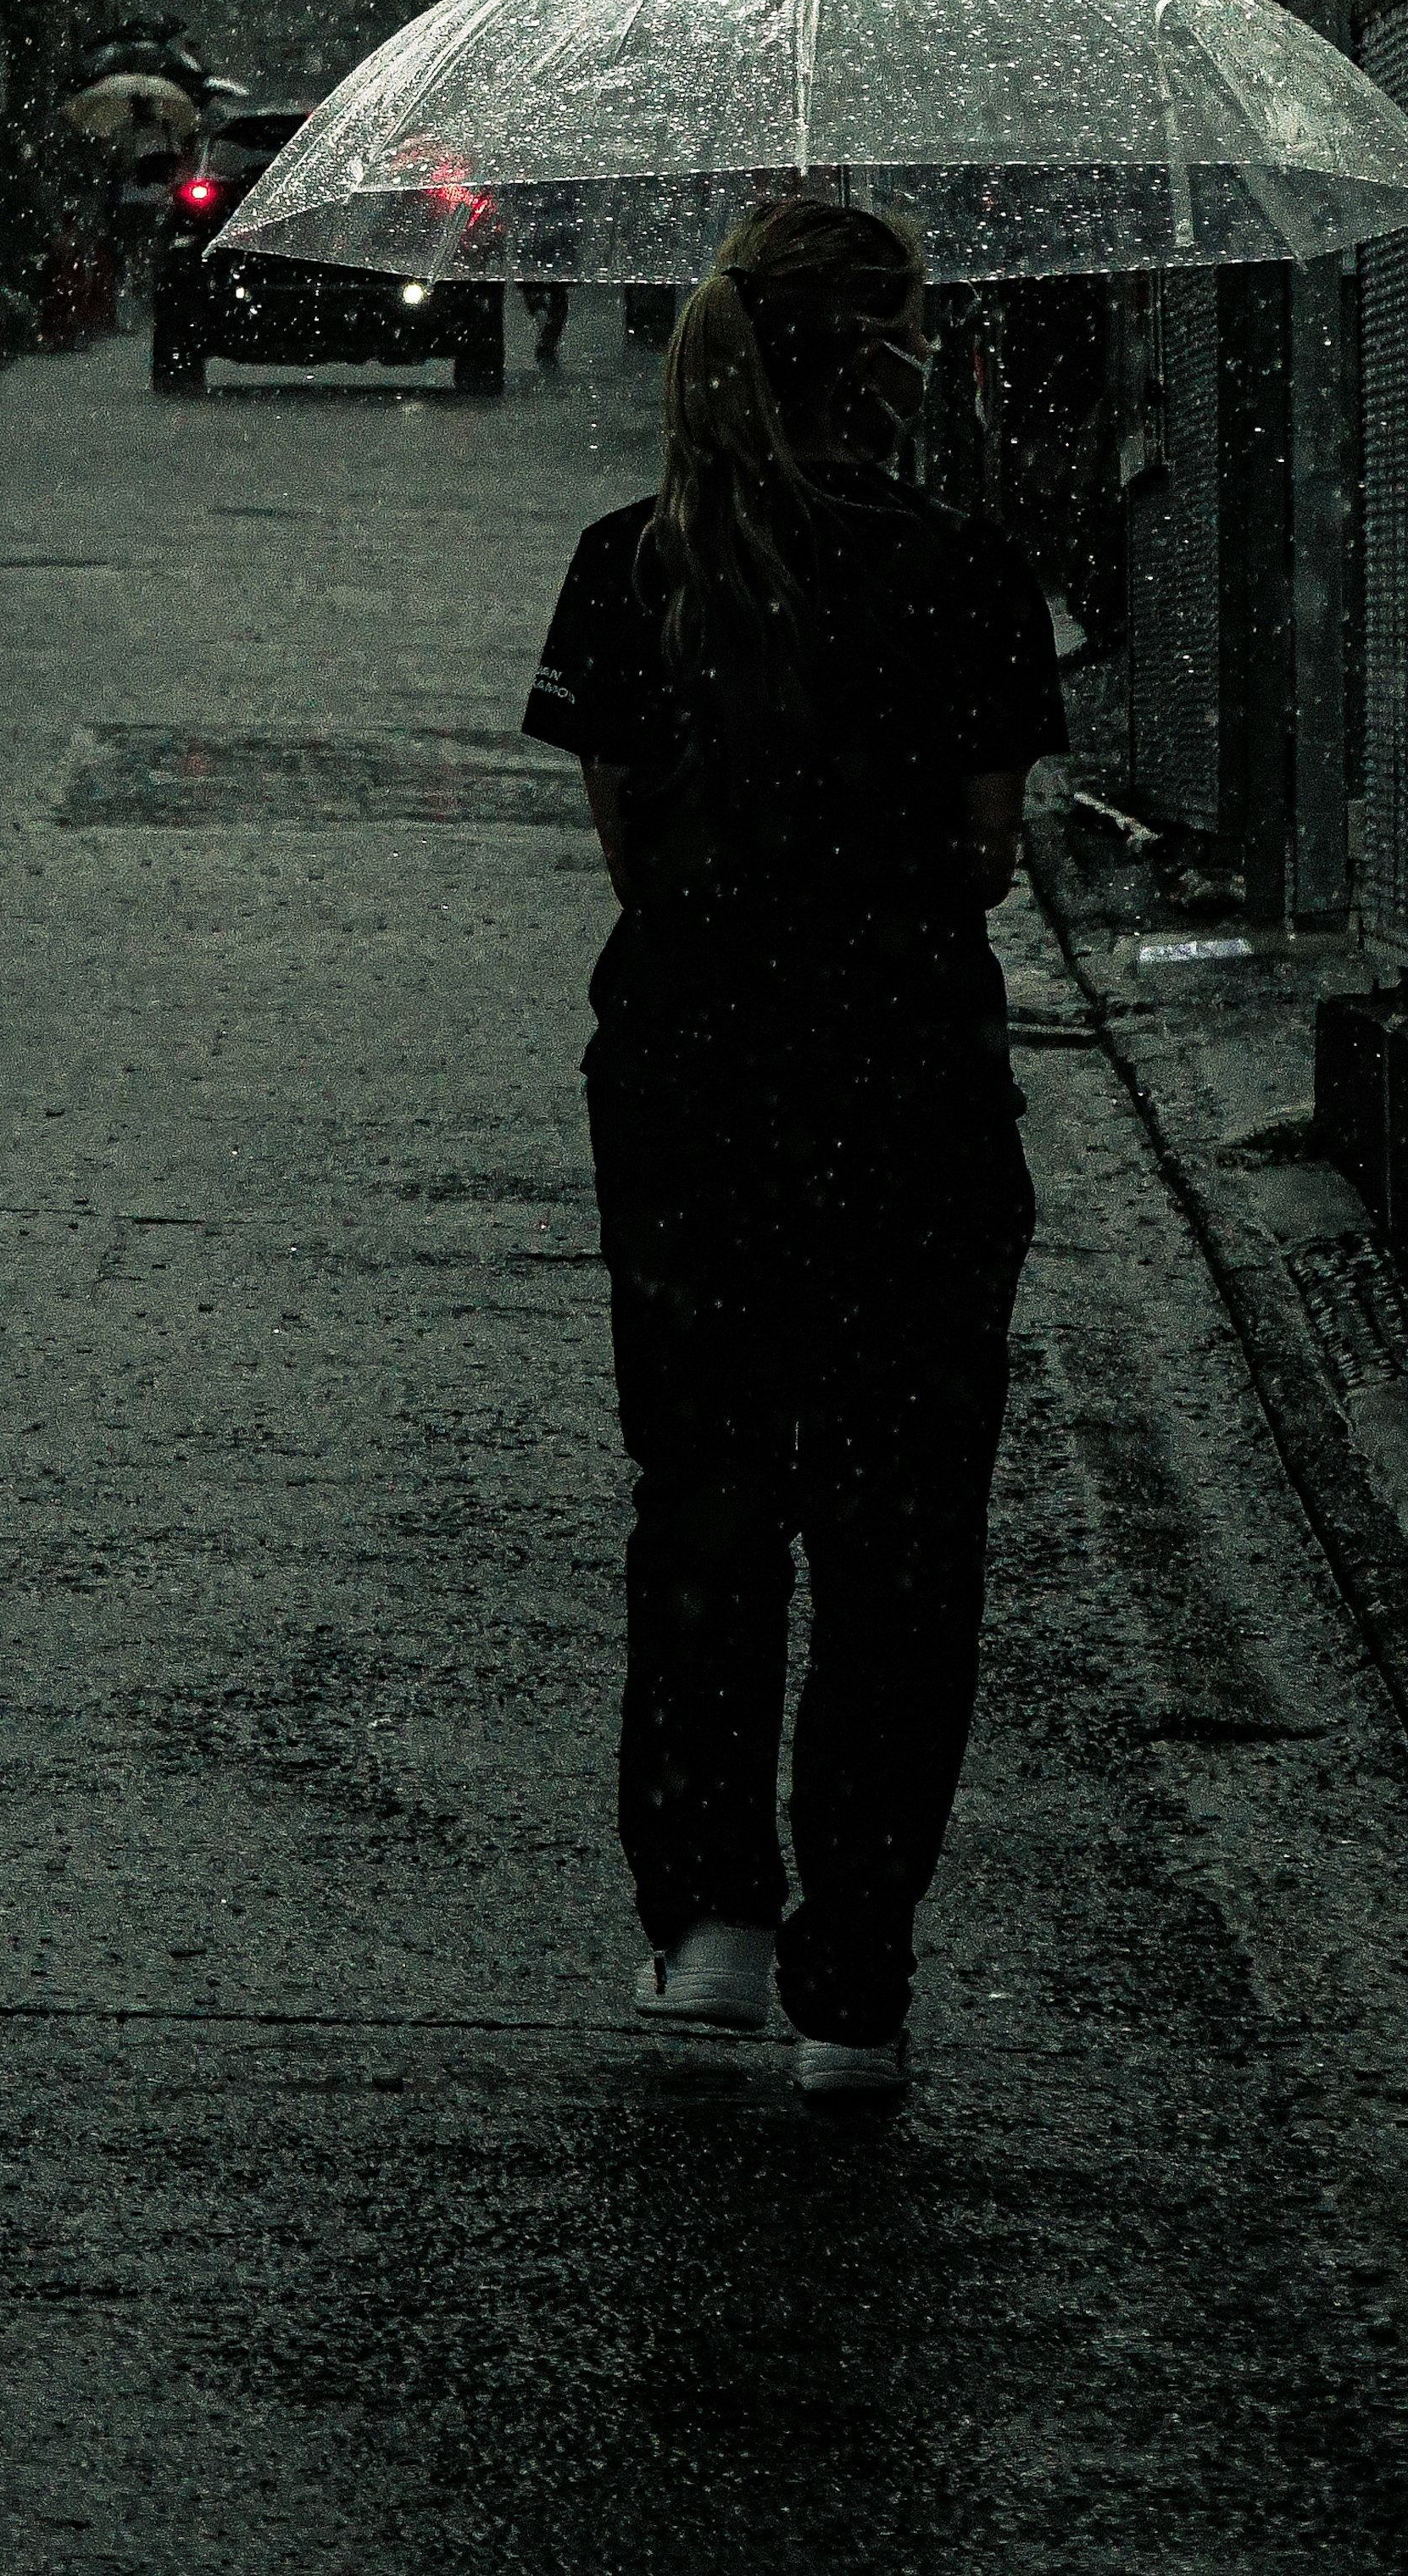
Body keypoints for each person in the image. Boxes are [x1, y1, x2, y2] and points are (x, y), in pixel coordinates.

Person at [520, 194, 1065, 2099]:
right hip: (907, 1090)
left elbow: (631, 850)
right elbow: (985, 858)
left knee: (710, 1495)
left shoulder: (629, 569)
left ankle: (714, 1925)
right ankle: (858, 1975)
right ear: (892, 353)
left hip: (691, 1091)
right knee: (904, 1534)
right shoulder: (969, 572)